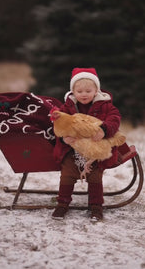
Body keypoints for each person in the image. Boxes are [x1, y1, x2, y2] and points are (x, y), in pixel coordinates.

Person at [52, 67, 121, 221]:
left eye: (88, 91)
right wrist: (64, 139)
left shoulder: (105, 105)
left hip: (95, 150)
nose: (84, 94)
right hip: (73, 150)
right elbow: (58, 125)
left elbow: (114, 118)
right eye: (80, 91)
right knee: (67, 175)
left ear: (96, 90)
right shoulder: (67, 107)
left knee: (95, 177)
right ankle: (62, 204)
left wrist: (104, 130)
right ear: (73, 92)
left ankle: (96, 206)